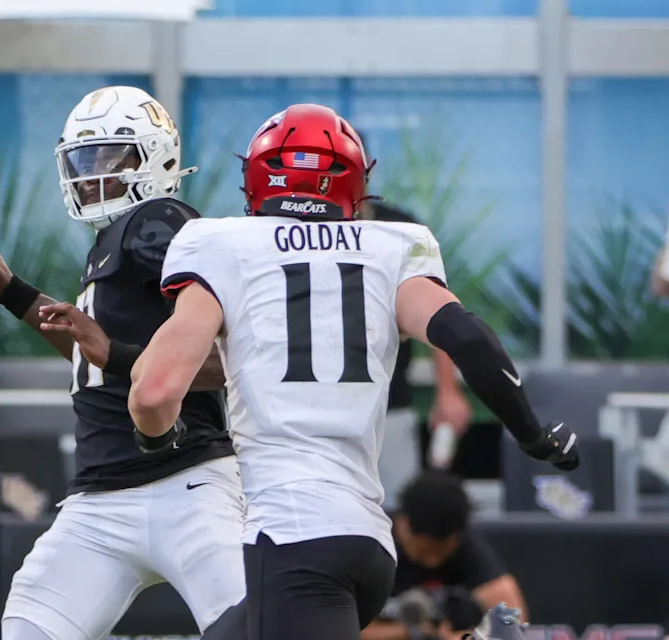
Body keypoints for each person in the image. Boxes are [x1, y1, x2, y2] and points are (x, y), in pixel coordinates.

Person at [127, 103, 580, 640]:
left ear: (256, 177)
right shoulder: (392, 246)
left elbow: (154, 392)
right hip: (368, 542)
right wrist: (532, 432)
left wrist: (154, 439)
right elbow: (465, 335)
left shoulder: (219, 243)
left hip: (296, 536)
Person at [0, 86, 245, 640]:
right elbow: (93, 355)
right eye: (85, 160)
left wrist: (116, 353)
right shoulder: (114, 242)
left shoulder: (159, 221)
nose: (93, 175)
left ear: (155, 158)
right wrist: (12, 291)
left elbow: (229, 356)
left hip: (186, 480)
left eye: (112, 159)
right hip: (101, 498)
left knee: (253, 627)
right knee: (29, 629)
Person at [358, 194, 472, 504]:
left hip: (390, 399)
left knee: (399, 510)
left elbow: (438, 307)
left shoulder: (401, 230)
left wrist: (448, 390)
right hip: (314, 403)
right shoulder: (295, 228)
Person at [365, 471, 527, 640]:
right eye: (425, 551)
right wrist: (408, 633)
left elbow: (512, 620)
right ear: (403, 525)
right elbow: (343, 626)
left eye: (442, 551)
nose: (433, 561)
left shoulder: (466, 546)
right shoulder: (372, 545)